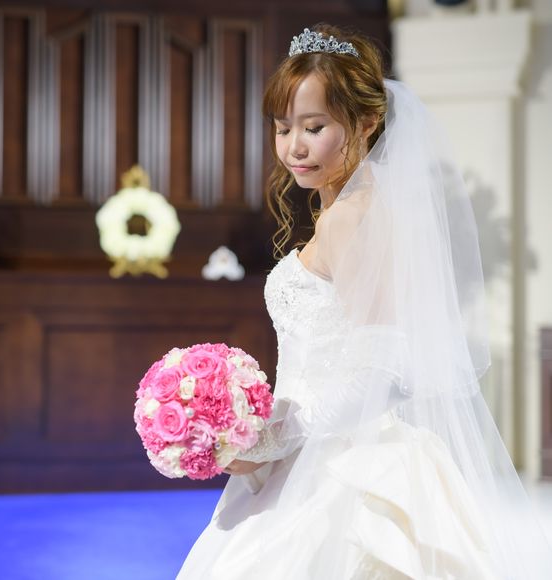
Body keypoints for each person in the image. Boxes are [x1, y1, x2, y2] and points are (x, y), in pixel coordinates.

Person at [176, 24, 552, 579]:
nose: (294, 147)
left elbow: (386, 367)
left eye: (314, 127)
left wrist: (273, 439)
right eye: (283, 128)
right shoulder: (348, 207)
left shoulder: (353, 218)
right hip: (317, 449)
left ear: (367, 122)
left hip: (342, 466)